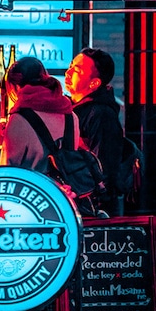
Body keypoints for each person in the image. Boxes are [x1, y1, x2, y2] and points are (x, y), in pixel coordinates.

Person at [65, 47, 125, 216]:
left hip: (93, 205)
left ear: (94, 83)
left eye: (77, 70)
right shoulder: (73, 109)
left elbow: (104, 165)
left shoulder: (101, 114)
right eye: (71, 66)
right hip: (77, 198)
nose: (68, 73)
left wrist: (97, 200)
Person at [2, 56, 82, 170]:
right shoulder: (72, 117)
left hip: (31, 186)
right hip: (62, 187)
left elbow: (8, 170)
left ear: (16, 87)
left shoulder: (19, 120)